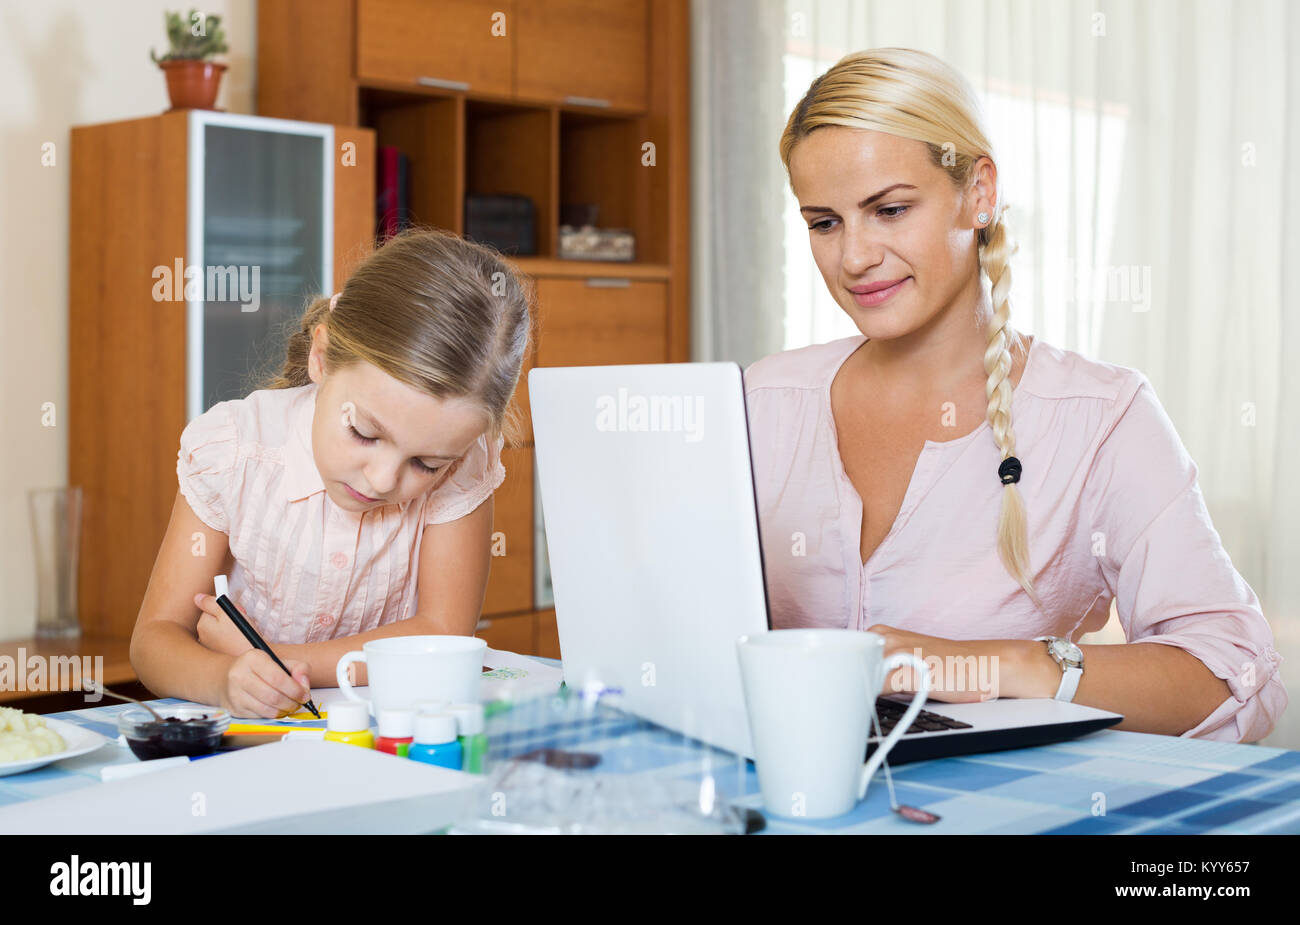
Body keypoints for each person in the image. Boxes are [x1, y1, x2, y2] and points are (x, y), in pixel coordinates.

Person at [744, 47, 1285, 742]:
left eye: (890, 209)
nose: (853, 257)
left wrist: (1008, 665)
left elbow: (1235, 670)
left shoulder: (1102, 418)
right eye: (825, 222)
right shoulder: (763, 400)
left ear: (979, 193)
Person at [130, 228, 532, 718]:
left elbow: (443, 633)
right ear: (320, 358)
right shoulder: (237, 450)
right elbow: (154, 640)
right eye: (364, 432)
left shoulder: (465, 462)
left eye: (426, 464)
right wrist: (223, 678)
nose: (384, 480)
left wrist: (279, 661)